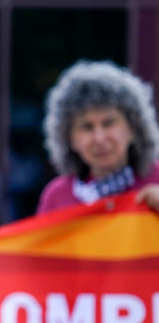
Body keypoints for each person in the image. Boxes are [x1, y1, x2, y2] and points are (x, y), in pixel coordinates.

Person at [37, 60, 159, 214]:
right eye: (86, 127)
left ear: (133, 127)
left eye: (109, 123)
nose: (99, 138)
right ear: (70, 139)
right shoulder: (56, 197)